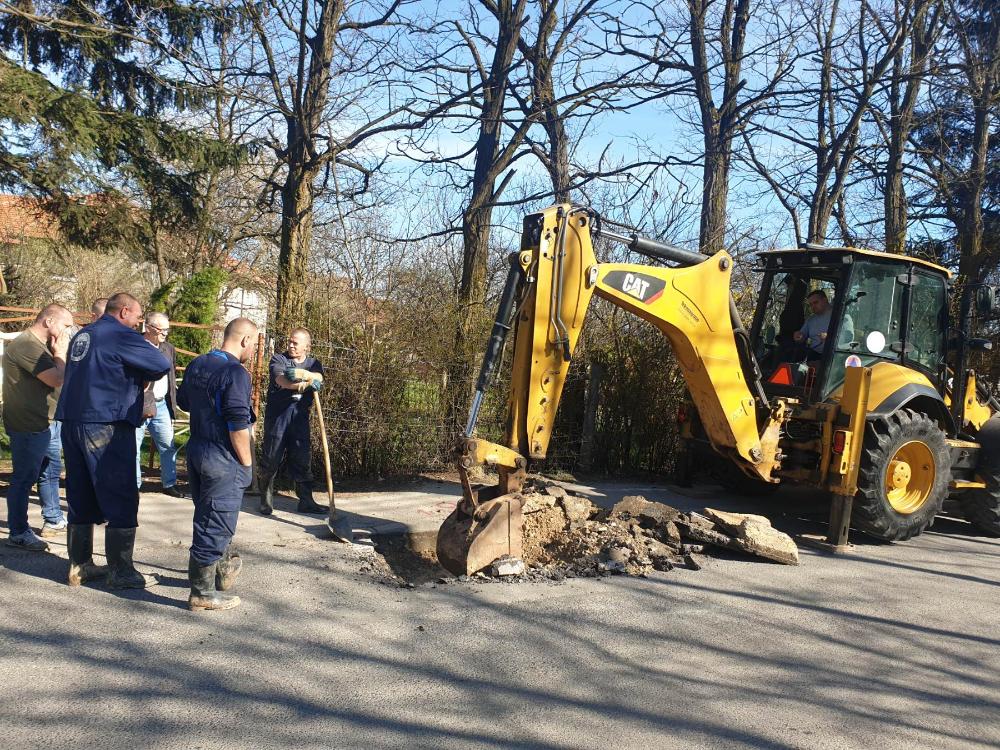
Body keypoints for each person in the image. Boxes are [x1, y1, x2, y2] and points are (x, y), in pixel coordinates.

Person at [56, 292, 171, 588]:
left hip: (72, 419)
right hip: (106, 421)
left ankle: (79, 565)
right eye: (137, 316)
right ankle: (121, 571)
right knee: (120, 491)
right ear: (124, 312)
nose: (138, 323)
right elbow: (160, 363)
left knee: (79, 491)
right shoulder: (121, 334)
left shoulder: (84, 335)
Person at [176, 317, 258, 611]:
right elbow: (238, 423)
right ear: (246, 340)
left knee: (208, 514)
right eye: (255, 343)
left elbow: (184, 401)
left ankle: (220, 572)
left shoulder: (200, 363)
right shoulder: (235, 372)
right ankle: (201, 592)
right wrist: (246, 462)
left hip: (197, 449)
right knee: (216, 520)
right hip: (222, 457)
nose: (253, 349)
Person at [3, 304, 75, 550]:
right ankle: (18, 532)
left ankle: (53, 519)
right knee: (24, 478)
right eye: (65, 326)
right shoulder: (26, 345)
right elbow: (56, 378)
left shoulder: (42, 345)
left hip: (47, 420)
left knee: (49, 471)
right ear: (48, 321)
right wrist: (61, 354)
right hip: (28, 423)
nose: (67, 332)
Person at [258, 327, 326, 515]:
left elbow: (319, 376)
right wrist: (305, 383)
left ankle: (306, 501)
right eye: (290, 341)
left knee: (302, 459)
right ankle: (265, 499)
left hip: (299, 419)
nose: (290, 345)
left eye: (295, 343)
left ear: (306, 346)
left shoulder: (313, 363)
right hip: (278, 418)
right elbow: (283, 380)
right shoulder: (279, 359)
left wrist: (310, 376)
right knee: (271, 458)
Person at [135, 311, 184, 497]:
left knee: (167, 445)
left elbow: (172, 376)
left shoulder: (168, 348)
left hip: (161, 404)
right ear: (148, 328)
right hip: (138, 404)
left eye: (167, 330)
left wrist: (174, 401)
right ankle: (134, 486)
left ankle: (169, 483)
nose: (165, 333)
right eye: (161, 329)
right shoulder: (136, 346)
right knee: (134, 447)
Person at [792, 289, 852, 359]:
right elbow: (802, 336)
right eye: (810, 304)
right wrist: (799, 337)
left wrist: (830, 338)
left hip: (836, 356)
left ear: (825, 300)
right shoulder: (811, 320)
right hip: (814, 355)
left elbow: (849, 337)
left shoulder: (841, 315)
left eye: (815, 302)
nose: (813, 306)